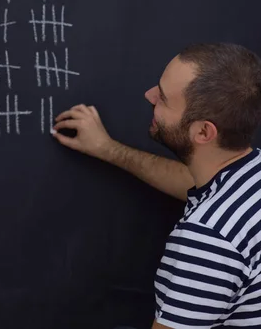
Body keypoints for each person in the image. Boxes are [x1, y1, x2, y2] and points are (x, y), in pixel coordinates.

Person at [52, 43, 261, 328]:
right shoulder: (246, 180)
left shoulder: (207, 240)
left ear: (203, 131)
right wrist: (108, 149)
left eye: (163, 98)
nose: (149, 95)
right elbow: (190, 182)